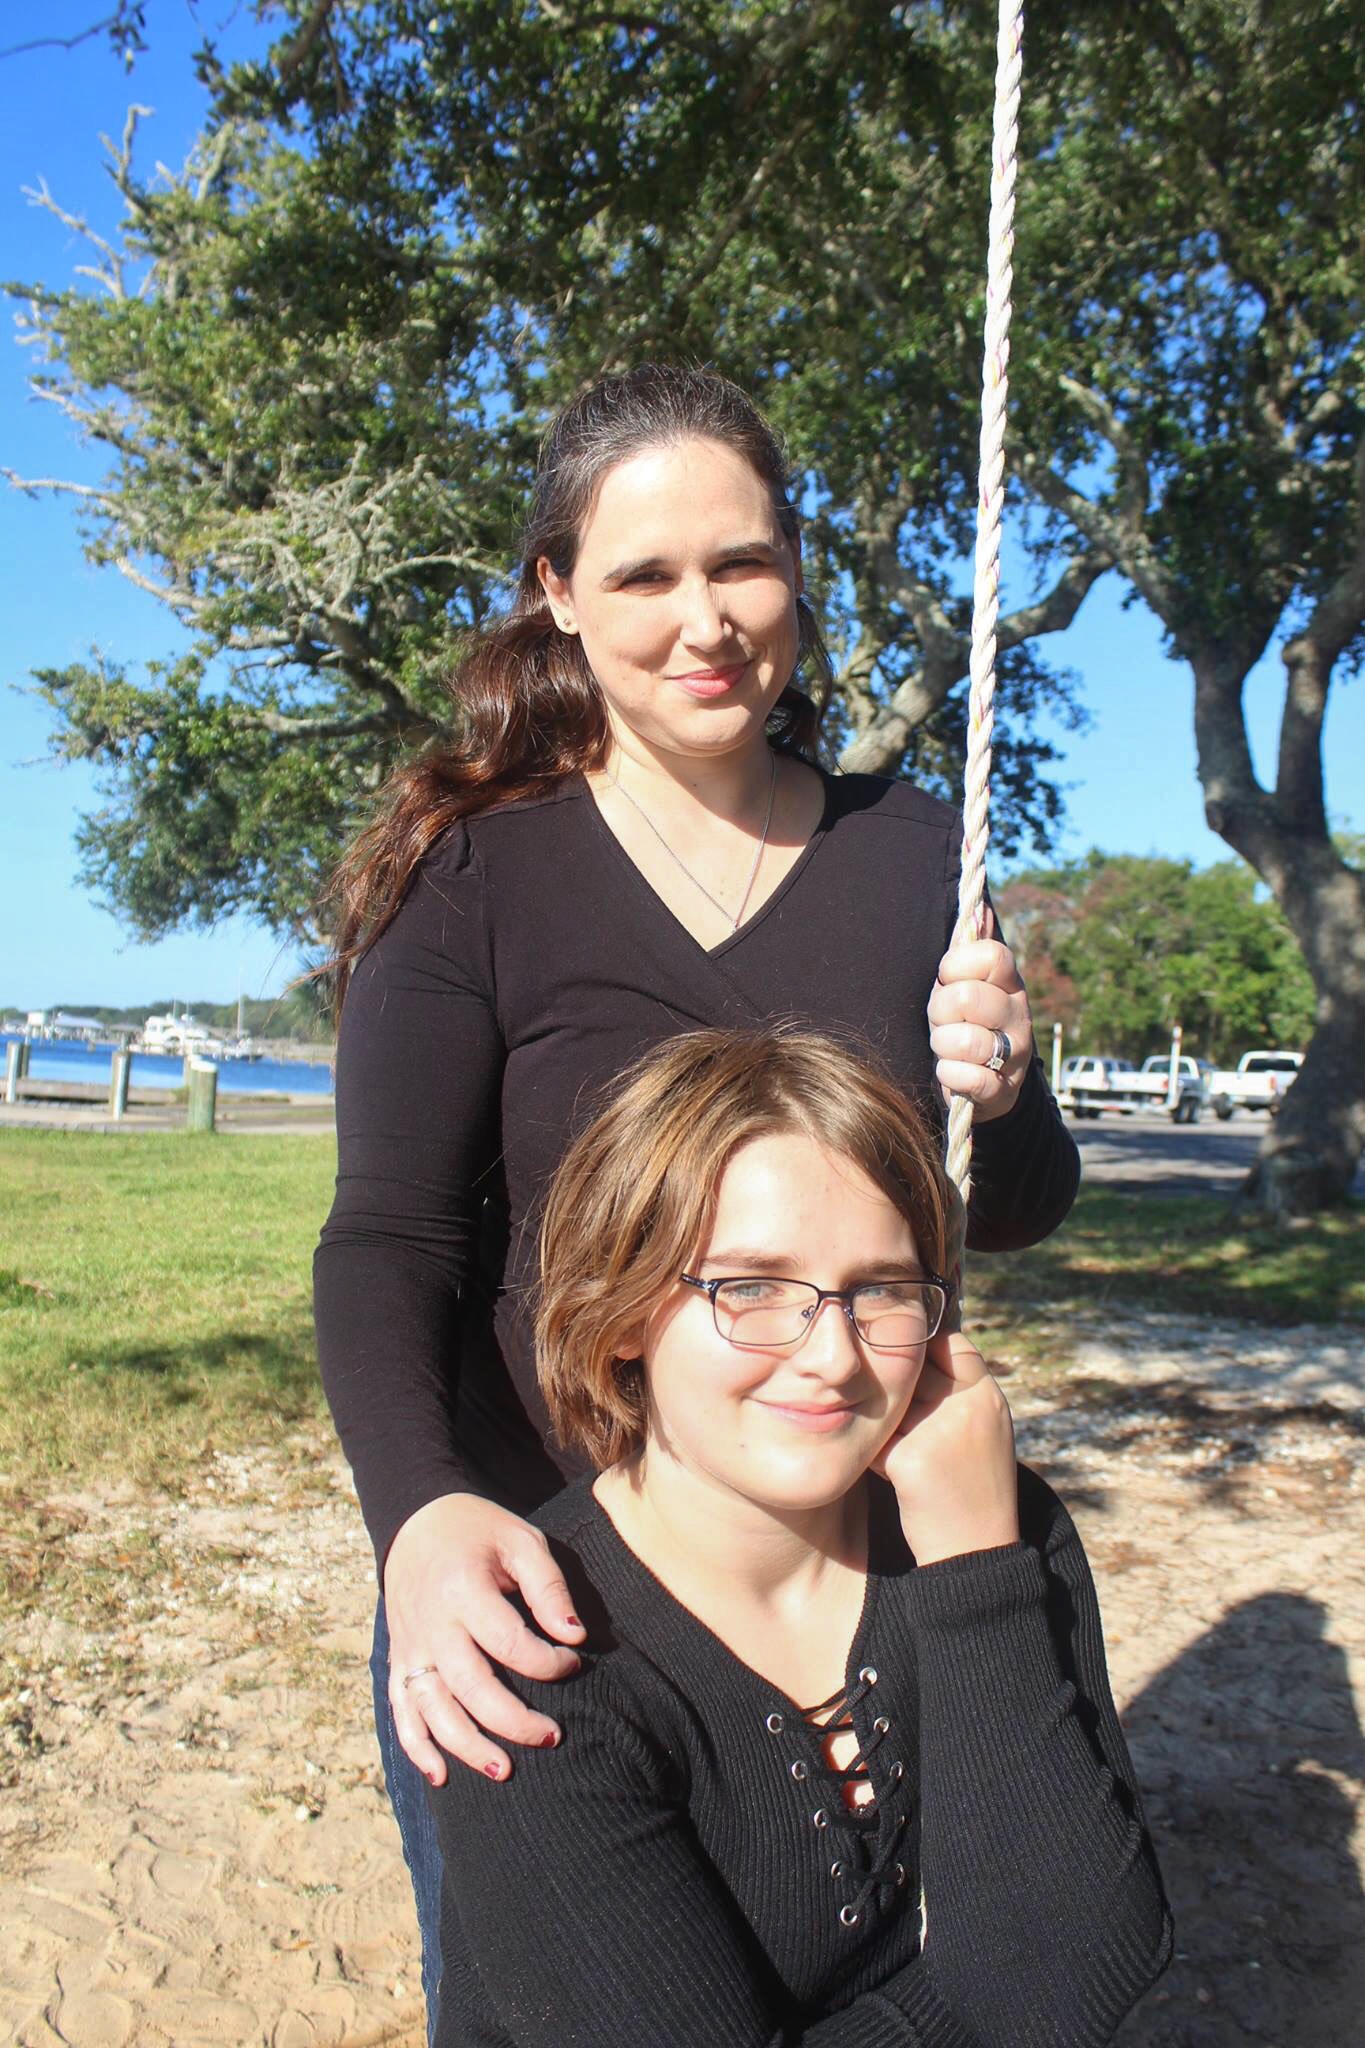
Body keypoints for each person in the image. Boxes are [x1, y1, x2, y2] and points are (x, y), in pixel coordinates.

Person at [313, 363, 1081, 2032]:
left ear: (797, 569)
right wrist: (424, 1519)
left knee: (868, 1967)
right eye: (646, 575)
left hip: (837, 1564)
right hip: (551, 1573)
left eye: (743, 562)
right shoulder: (479, 874)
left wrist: (1005, 1092)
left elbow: (999, 1204)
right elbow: (392, 1236)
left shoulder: (916, 856)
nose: (707, 619)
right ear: (559, 598)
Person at [426, 1027, 1172, 2047]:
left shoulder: (993, 1527)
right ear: (626, 1306)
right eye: (752, 1287)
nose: (833, 1355)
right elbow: (1046, 1990)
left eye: (881, 1288)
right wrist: (972, 1994)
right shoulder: (529, 1653)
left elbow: (1083, 1979)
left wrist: (978, 1568)